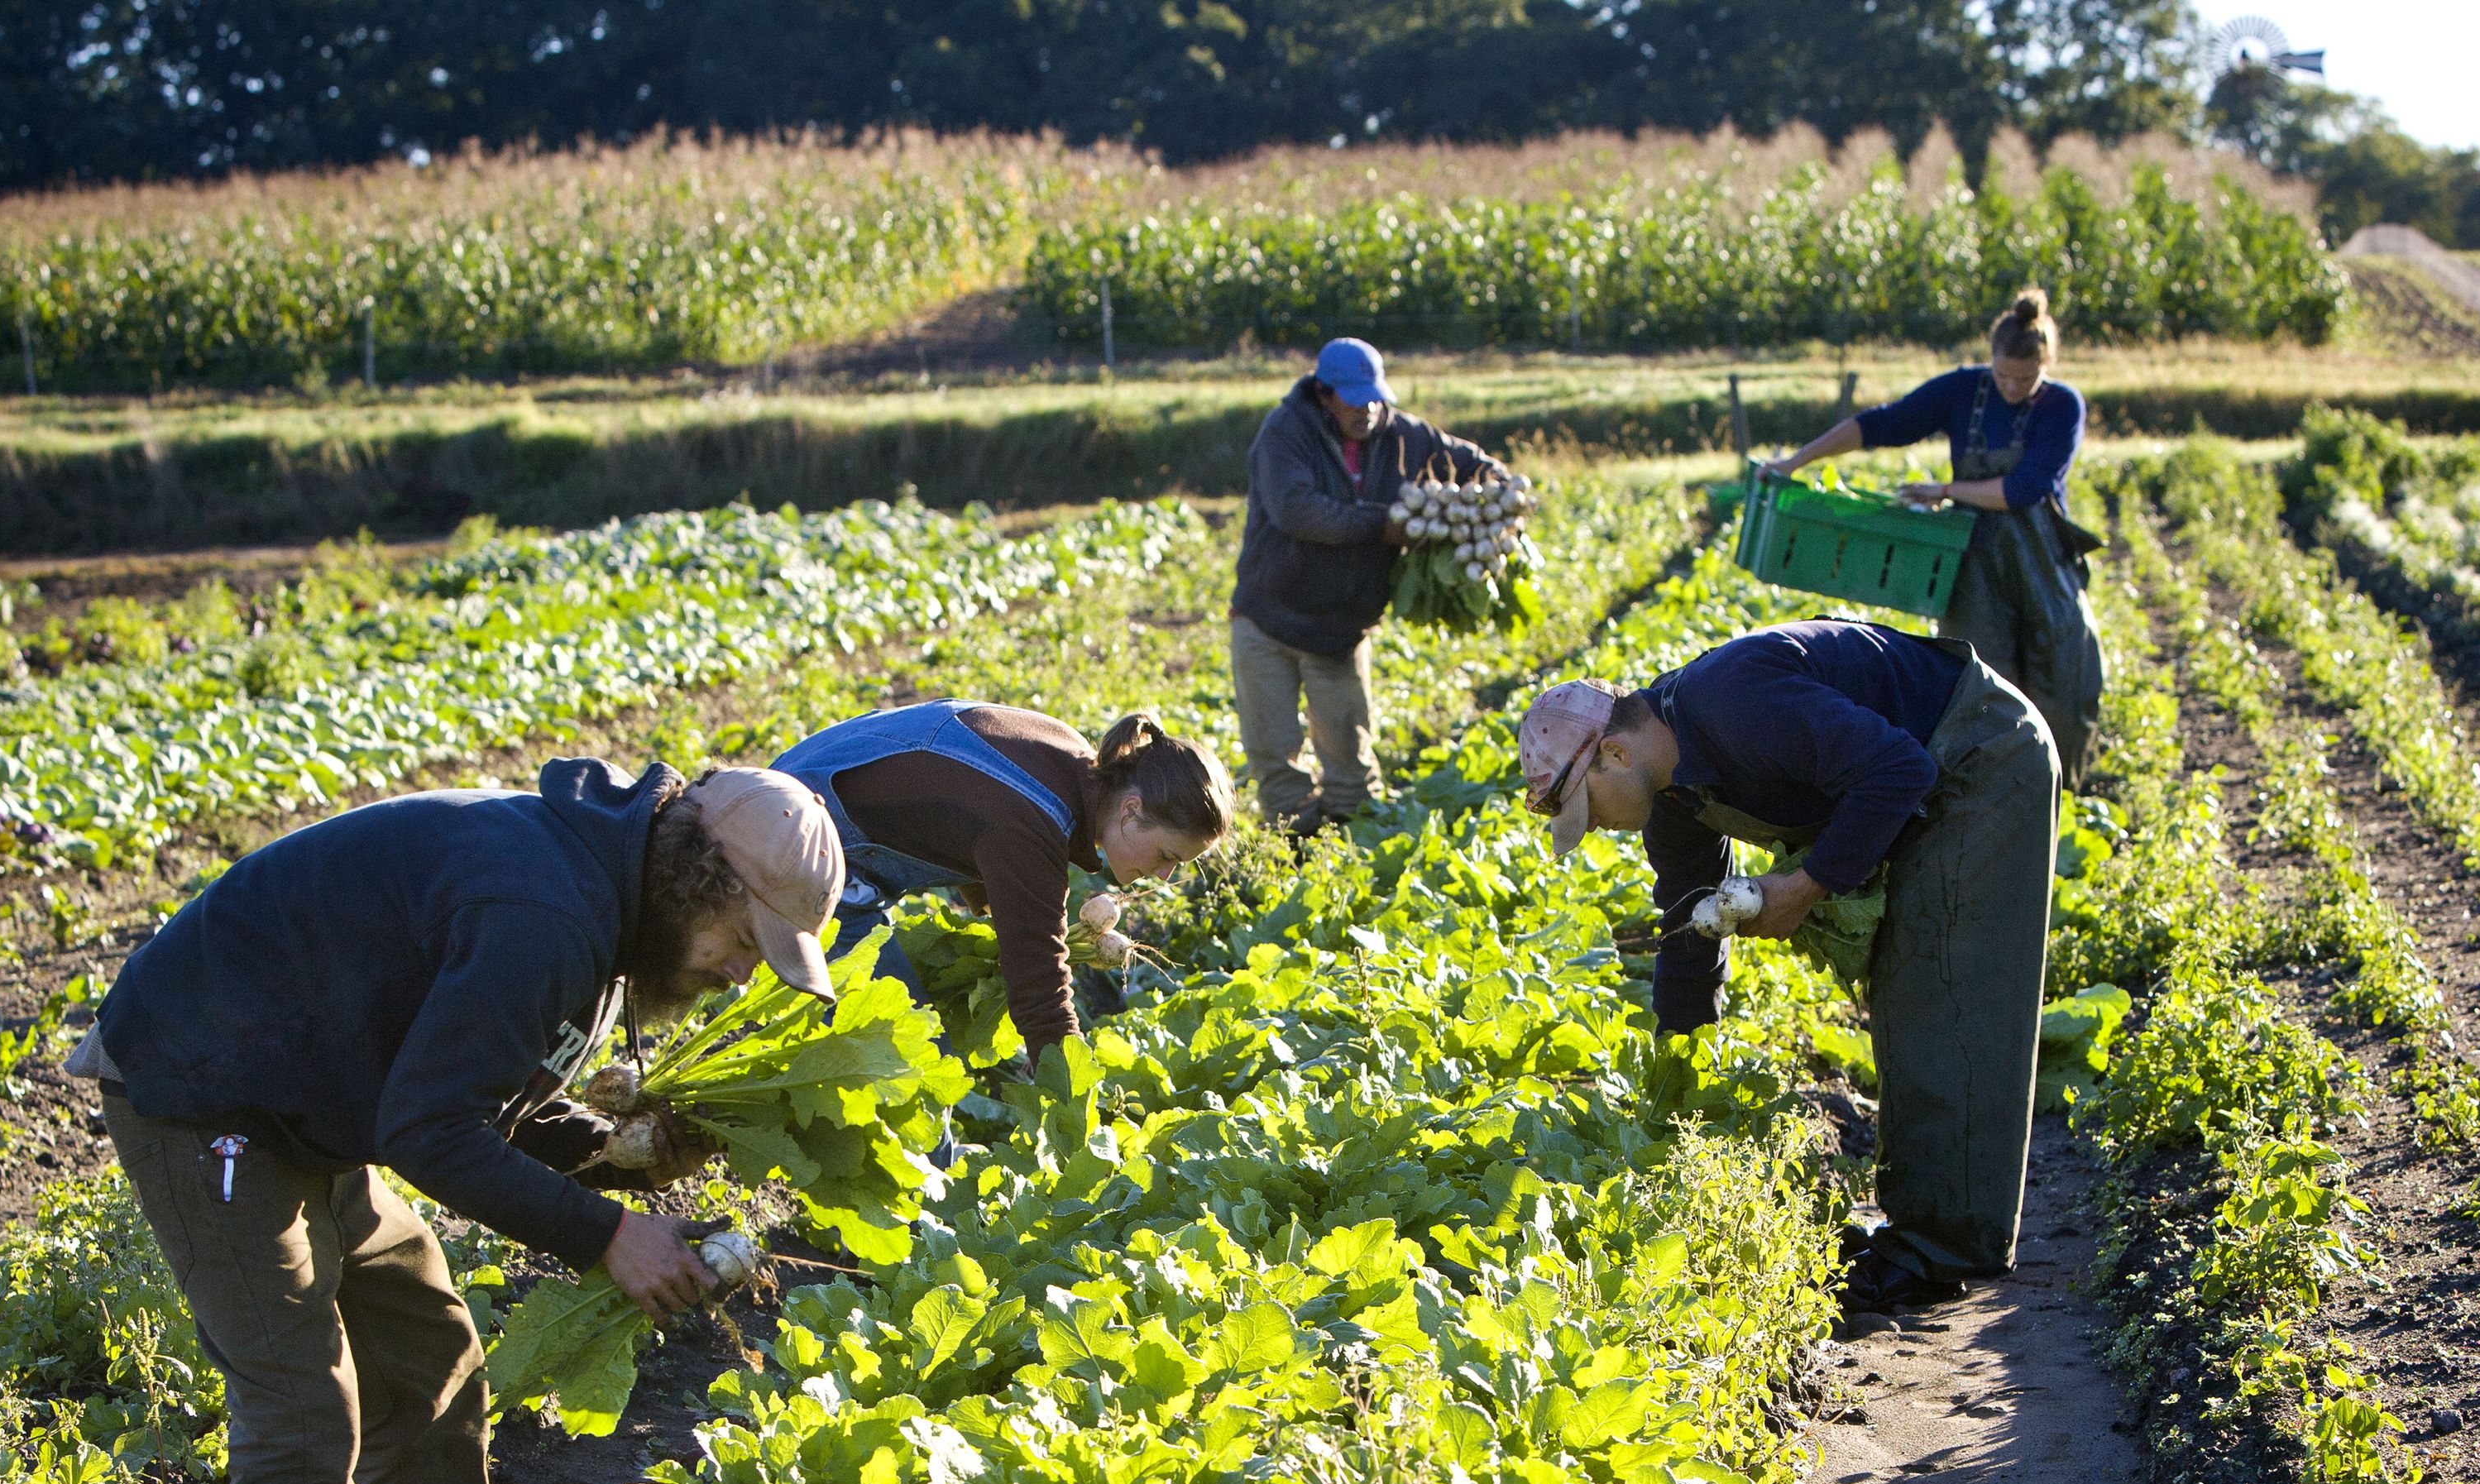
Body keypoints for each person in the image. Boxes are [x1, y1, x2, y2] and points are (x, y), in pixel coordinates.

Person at [64, 758, 845, 1484]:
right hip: (210, 1096)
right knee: (303, 1412)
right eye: (746, 943)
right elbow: (427, 1130)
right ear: (697, 884)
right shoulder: (544, 910)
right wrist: (607, 1231)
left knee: (430, 1354)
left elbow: (475, 1085)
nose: (740, 973)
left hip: (309, 1104)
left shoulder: (602, 909)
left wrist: (617, 1154)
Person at [1516, 620, 2058, 1320]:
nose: (1593, 828)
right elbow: (1688, 929)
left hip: (1982, 752)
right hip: (1923, 768)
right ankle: (1920, 1226)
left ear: (1614, 754)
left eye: (1586, 811)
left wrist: (1803, 888)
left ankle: (1942, 1251)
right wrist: (1679, 1071)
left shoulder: (1733, 701)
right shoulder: (1673, 799)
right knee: (1908, 986)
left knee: (1947, 991)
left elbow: (1900, 769)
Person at [1759, 289, 2105, 783]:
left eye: (2025, 378)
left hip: (2042, 566)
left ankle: (2065, 793)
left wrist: (1945, 489)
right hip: (1975, 565)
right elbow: (1885, 423)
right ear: (1990, 360)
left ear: (2046, 363)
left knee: (2065, 681)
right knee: (1982, 689)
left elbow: (2025, 488)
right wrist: (1795, 460)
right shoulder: (1965, 391)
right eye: (2003, 374)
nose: (2011, 386)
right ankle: (1992, 796)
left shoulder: (2062, 407)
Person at [773, 701, 1233, 1055]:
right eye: (1168, 855)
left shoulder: (1069, 758)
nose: (1166, 874)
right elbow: (1040, 988)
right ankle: (931, 1174)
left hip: (787, 795)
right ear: (1131, 811)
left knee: (895, 1029)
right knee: (912, 1051)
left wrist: (996, 902)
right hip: (790, 845)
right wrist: (1069, 1090)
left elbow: (958, 803)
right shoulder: (1035, 822)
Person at [1232, 336, 1504, 833]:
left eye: (1376, 397)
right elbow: (1297, 511)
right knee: (1275, 759)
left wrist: (1499, 490)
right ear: (1324, 394)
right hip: (1269, 618)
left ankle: (1357, 849)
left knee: (1351, 767)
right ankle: (1296, 854)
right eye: (1356, 401)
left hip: (1341, 628)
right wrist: (1382, 526)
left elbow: (1472, 463)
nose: (1369, 410)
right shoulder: (1285, 433)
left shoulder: (1403, 436)